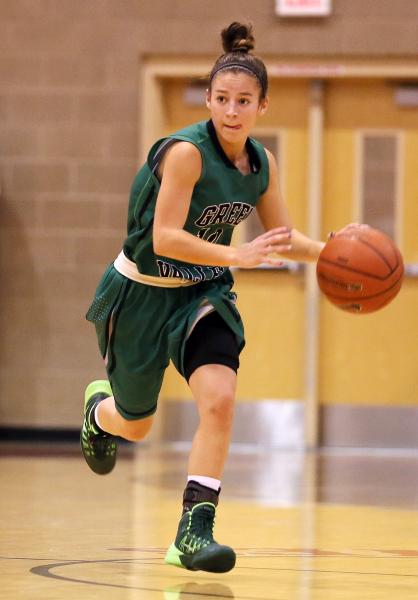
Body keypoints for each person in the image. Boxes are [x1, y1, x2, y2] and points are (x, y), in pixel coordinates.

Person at [81, 21, 342, 574]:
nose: (232, 110)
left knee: (220, 401)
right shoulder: (185, 154)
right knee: (136, 423)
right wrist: (237, 256)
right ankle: (99, 414)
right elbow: (165, 238)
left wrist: (336, 250)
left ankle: (193, 532)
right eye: (222, 99)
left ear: (262, 106)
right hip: (142, 293)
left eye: (244, 101)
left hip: (202, 294)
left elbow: (281, 238)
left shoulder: (262, 164)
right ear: (208, 99)